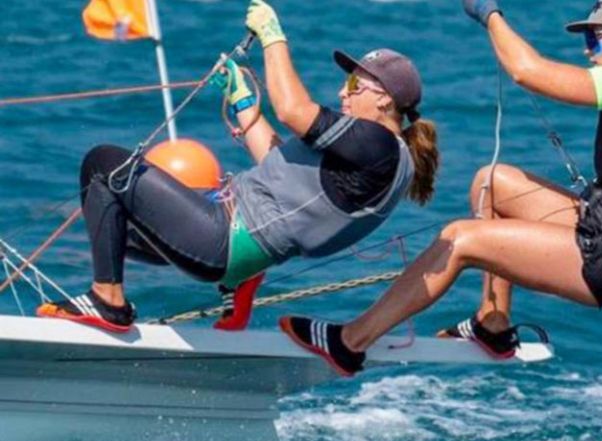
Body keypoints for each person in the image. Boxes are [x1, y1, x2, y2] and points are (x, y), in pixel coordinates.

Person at [279, 0, 602, 377]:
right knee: (492, 181)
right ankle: (492, 322)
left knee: (459, 240)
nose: (587, 51)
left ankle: (349, 343)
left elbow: (527, 72)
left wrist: (490, 14)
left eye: (594, 40)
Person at [36, 0, 440, 333]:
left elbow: (292, 110)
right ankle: (239, 280)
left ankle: (109, 302)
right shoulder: (376, 152)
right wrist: (242, 99)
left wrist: (272, 36)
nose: (342, 92)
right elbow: (279, 166)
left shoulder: (378, 145)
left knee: (104, 164)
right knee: (112, 224)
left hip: (222, 238)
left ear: (385, 99)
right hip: (232, 236)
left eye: (353, 85)